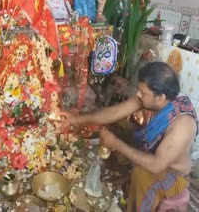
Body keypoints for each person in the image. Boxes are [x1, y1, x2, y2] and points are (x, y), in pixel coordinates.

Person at [62, 62, 198, 212]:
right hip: (153, 156)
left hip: (171, 173)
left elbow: (157, 165)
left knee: (142, 175)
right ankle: (123, 180)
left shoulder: (183, 125)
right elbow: (112, 113)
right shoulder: (150, 100)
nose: (138, 94)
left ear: (160, 97)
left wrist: (116, 144)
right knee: (118, 127)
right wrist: (73, 120)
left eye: (142, 92)